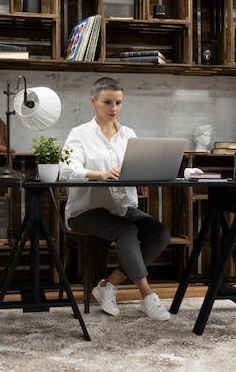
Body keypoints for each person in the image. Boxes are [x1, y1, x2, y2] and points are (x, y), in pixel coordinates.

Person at [59, 77, 172, 321]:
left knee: (160, 234)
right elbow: (67, 170)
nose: (114, 109)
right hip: (86, 212)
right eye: (107, 102)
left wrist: (150, 171)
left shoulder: (129, 134)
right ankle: (147, 295)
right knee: (127, 231)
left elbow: (138, 166)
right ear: (93, 102)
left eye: (118, 102)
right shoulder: (79, 134)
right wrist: (99, 174)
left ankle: (107, 285)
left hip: (123, 208)